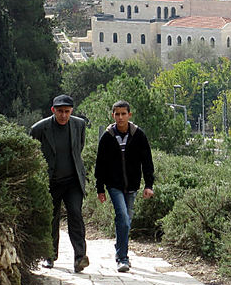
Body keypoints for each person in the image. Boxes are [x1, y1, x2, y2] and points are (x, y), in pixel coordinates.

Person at [30, 94, 89, 273]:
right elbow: (32, 152)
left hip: (73, 181)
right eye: (60, 111)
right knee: (51, 217)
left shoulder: (79, 125)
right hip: (51, 181)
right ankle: (49, 255)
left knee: (75, 214)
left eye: (67, 112)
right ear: (53, 110)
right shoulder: (39, 129)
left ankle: (80, 256)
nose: (63, 115)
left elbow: (79, 147)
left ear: (71, 111)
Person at [94, 100, 155, 273]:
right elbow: (100, 165)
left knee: (126, 221)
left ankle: (120, 248)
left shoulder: (138, 135)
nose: (120, 117)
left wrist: (148, 185)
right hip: (114, 185)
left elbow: (147, 162)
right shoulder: (107, 137)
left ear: (129, 114)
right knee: (122, 216)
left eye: (123, 114)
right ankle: (122, 258)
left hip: (132, 186)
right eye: (117, 114)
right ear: (112, 115)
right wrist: (100, 189)